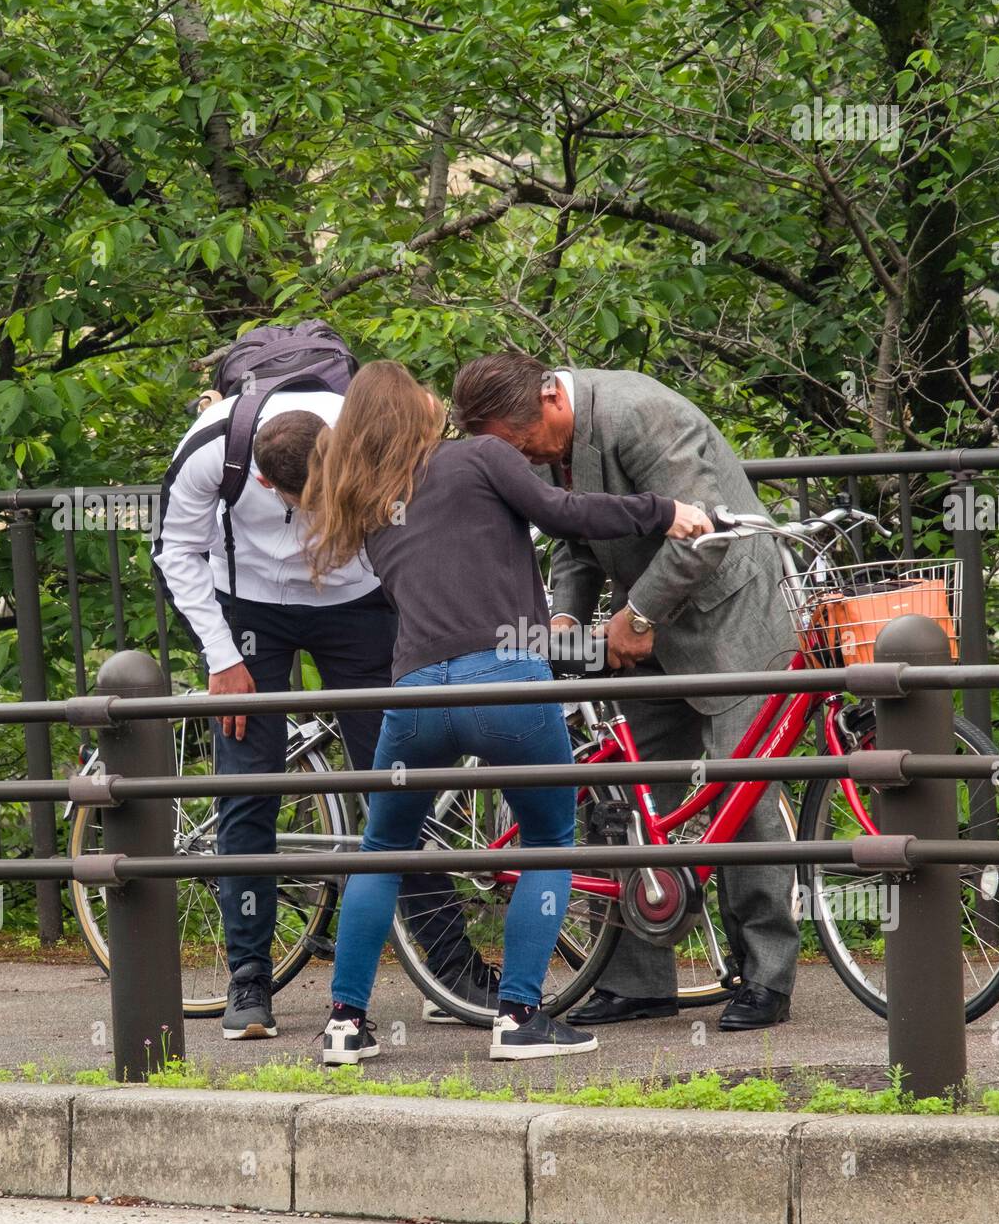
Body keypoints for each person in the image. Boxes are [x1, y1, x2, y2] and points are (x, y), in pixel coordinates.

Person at [300, 359, 711, 1064]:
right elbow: (565, 515)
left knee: (381, 853)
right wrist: (663, 511)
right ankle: (520, 1016)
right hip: (509, 683)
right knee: (551, 841)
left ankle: (345, 1023)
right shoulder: (482, 456)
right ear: (418, 412)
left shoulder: (369, 505)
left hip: (415, 696)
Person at [450, 351, 798, 1031]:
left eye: (524, 446)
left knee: (743, 789)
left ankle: (765, 976)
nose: (521, 461)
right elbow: (574, 541)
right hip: (638, 628)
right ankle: (636, 979)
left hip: (728, 618)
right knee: (628, 790)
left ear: (551, 399)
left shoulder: (643, 413)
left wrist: (637, 615)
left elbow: (707, 531)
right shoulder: (542, 440)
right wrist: (564, 616)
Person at [153, 387, 486, 1041]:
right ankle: (249, 979)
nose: (314, 513)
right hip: (249, 607)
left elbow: (439, 509)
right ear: (261, 478)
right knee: (249, 788)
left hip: (357, 602)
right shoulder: (210, 451)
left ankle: (451, 972)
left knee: (399, 783)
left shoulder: (372, 429)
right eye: (299, 501)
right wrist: (222, 659)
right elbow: (174, 551)